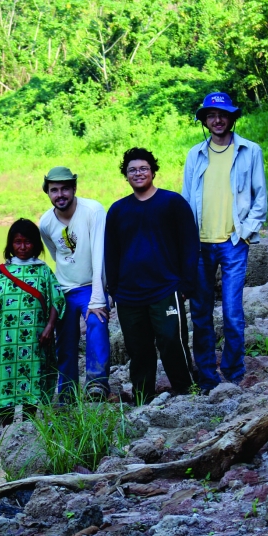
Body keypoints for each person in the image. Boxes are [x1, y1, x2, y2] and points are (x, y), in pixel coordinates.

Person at [182, 92, 267, 391]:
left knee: (232, 312)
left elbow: (260, 199)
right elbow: (185, 199)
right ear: (204, 120)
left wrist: (244, 233)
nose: (217, 120)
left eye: (222, 115)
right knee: (201, 313)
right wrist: (186, 240)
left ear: (232, 118)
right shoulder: (195, 154)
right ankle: (207, 377)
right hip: (200, 245)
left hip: (233, 242)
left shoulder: (250, 151)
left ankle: (233, 371)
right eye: (211, 115)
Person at [105, 148, 199, 403]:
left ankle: (185, 390)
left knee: (172, 340)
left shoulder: (173, 203)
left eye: (143, 168)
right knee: (138, 347)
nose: (138, 173)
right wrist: (114, 290)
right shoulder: (117, 210)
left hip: (166, 288)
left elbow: (190, 244)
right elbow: (111, 253)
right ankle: (142, 396)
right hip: (129, 293)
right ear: (125, 175)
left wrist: (185, 284)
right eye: (132, 170)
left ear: (153, 171)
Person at [38, 166, 110, 400]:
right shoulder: (46, 222)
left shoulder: (93, 211)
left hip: (92, 286)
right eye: (54, 190)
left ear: (74, 188)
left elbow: (100, 255)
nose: (60, 194)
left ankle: (96, 384)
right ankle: (66, 392)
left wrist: (99, 298)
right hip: (64, 290)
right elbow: (55, 253)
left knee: (97, 326)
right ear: (47, 192)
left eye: (65, 189)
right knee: (65, 342)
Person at [0, 218, 66, 419]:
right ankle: (6, 425)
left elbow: (57, 299)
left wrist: (49, 327)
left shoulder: (43, 271)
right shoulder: (0, 272)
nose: (22, 247)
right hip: (6, 341)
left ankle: (29, 423)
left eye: (27, 242)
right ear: (10, 244)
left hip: (34, 340)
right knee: (6, 378)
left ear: (36, 244)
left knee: (32, 376)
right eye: (17, 242)